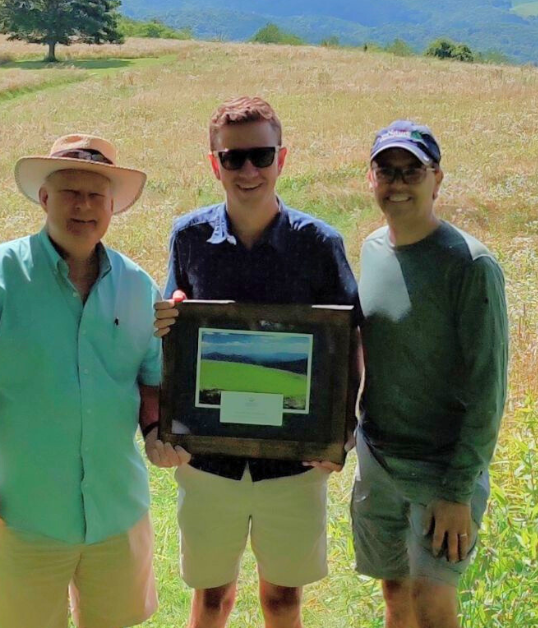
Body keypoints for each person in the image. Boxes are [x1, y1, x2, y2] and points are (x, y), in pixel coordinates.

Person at [0, 134, 164, 628]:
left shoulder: (138, 286)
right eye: (70, 193)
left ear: (113, 205)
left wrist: (163, 435)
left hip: (117, 508)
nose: (83, 206)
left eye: (96, 195)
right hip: (26, 511)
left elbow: (150, 383)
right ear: (44, 199)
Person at [150, 96, 359, 628]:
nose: (248, 170)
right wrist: (170, 319)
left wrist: (342, 433)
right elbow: (173, 325)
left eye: (261, 156)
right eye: (233, 158)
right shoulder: (189, 237)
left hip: (293, 462)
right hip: (209, 457)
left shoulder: (319, 243)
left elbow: (348, 343)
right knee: (212, 597)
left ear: (282, 160)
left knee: (284, 599)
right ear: (213, 163)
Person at [352, 121, 509, 628]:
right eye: (387, 171)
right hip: (379, 460)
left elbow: (489, 387)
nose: (398, 184)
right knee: (396, 595)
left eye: (412, 171)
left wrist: (458, 490)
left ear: (437, 179)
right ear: (370, 178)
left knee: (433, 605)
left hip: (442, 471)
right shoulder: (373, 249)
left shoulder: (470, 264)